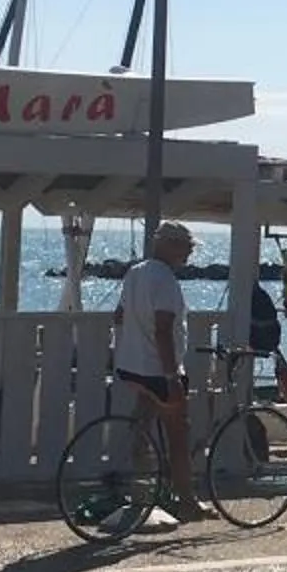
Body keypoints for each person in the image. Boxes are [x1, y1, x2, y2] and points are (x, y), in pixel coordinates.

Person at [115, 222, 202, 524]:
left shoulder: (135, 272)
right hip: (157, 370)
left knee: (142, 423)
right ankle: (187, 502)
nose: (190, 253)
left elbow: (120, 315)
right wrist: (171, 376)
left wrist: (132, 343)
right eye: (186, 247)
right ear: (171, 246)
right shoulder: (165, 280)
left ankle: (141, 489)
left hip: (132, 366)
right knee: (179, 435)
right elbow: (164, 330)